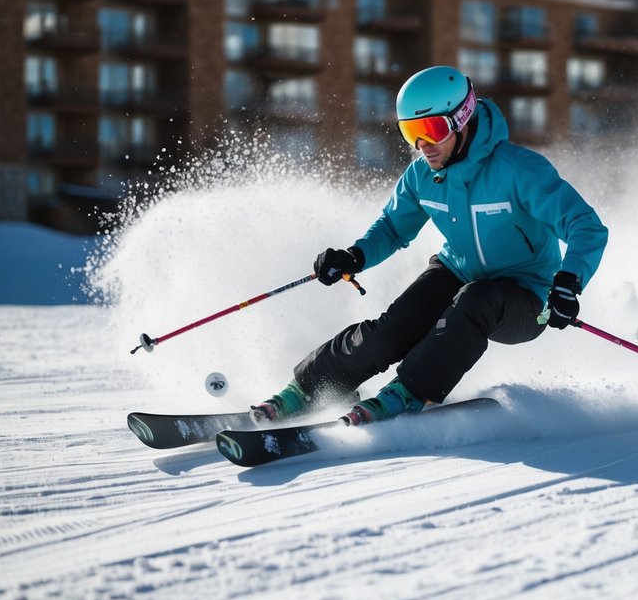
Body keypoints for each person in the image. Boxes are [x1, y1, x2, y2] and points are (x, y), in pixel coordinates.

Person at [252, 66, 609, 425]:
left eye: (433, 130)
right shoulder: (422, 175)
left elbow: (586, 226)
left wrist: (568, 283)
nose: (423, 146)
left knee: (475, 301)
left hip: (526, 294)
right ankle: (309, 387)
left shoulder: (519, 170)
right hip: (457, 269)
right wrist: (354, 256)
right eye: (411, 133)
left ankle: (409, 391)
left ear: (462, 119)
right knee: (393, 329)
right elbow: (393, 227)